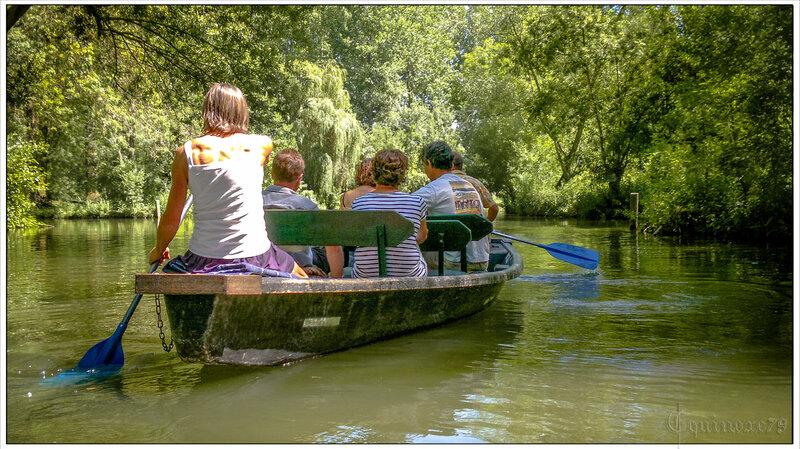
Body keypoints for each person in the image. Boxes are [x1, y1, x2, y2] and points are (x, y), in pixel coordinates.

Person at [149, 83, 307, 278]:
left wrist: (159, 249)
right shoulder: (261, 145)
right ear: (242, 113)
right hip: (257, 255)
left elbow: (171, 221)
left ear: (207, 111)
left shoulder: (186, 153)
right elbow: (263, 162)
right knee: (302, 277)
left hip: (203, 259)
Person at [262, 149, 344, 278]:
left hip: (264, 264)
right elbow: (332, 245)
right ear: (299, 179)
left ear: (272, 174)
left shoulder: (253, 202)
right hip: (300, 265)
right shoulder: (307, 206)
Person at [351, 149, 428, 278]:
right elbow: (421, 236)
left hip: (366, 274)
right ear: (402, 174)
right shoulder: (417, 202)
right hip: (409, 274)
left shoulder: (358, 204)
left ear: (374, 172)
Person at [413, 141, 489, 272]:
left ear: (429, 163)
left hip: (453, 263)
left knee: (415, 247)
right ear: (451, 164)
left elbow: (401, 206)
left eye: (424, 166)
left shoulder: (434, 189)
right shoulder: (469, 186)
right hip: (481, 260)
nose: (425, 171)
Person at [451, 151, 499, 222]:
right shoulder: (476, 183)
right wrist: (485, 225)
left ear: (452, 166)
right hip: (475, 230)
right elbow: (494, 209)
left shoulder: (439, 184)